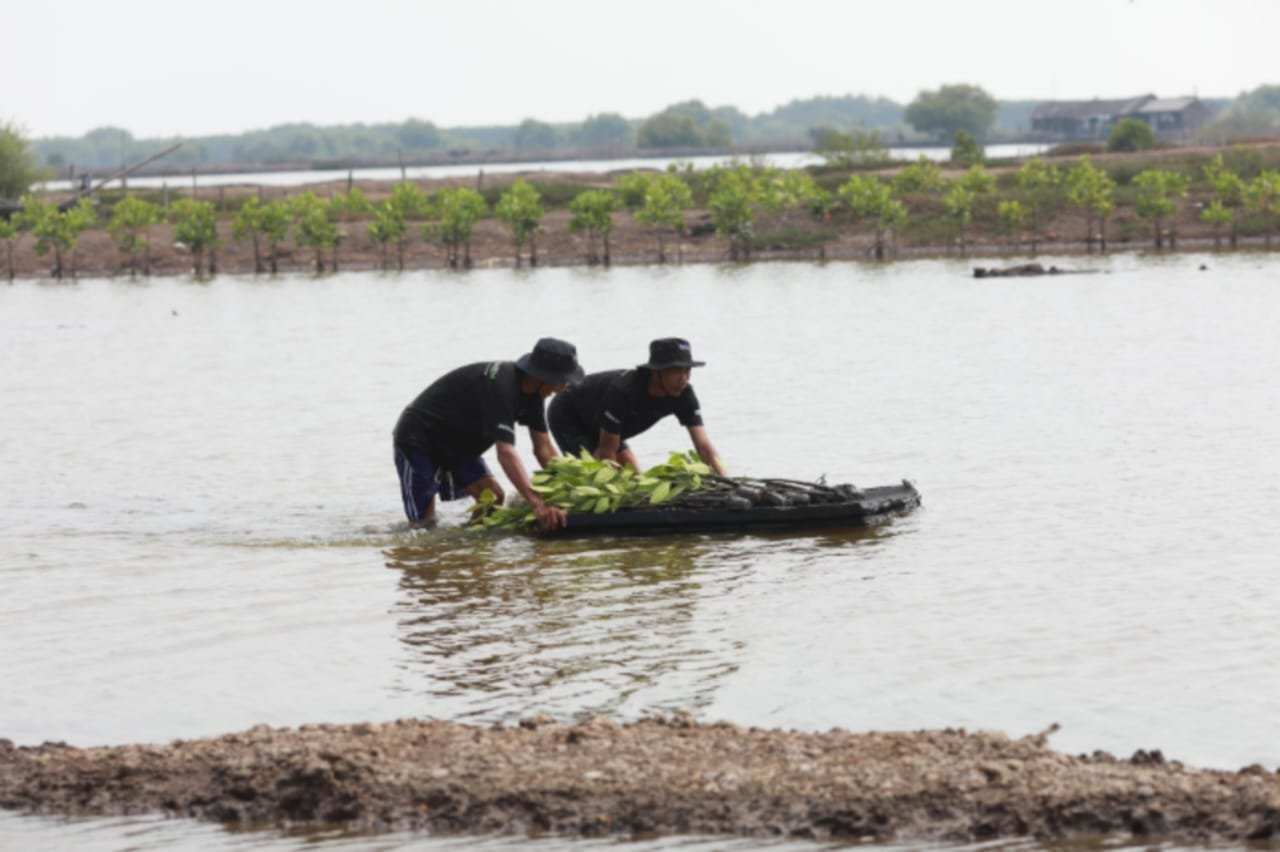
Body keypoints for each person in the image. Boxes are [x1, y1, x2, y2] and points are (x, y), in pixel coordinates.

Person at [393, 337, 584, 530]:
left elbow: (543, 448)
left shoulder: (534, 395)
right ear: (542, 377)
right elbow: (506, 453)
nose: (561, 389)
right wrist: (538, 503)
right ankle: (421, 552)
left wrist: (567, 490)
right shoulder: (502, 387)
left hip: (458, 442)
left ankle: (466, 551)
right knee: (424, 522)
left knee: (492, 499)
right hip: (419, 437)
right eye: (560, 382)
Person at [548, 337, 725, 475]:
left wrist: (725, 482)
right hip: (569, 413)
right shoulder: (625, 391)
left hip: (604, 423)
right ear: (656, 372)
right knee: (596, 471)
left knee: (634, 475)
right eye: (676, 371)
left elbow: (703, 445)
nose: (683, 378)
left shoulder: (684, 394)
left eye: (687, 370)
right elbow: (607, 453)